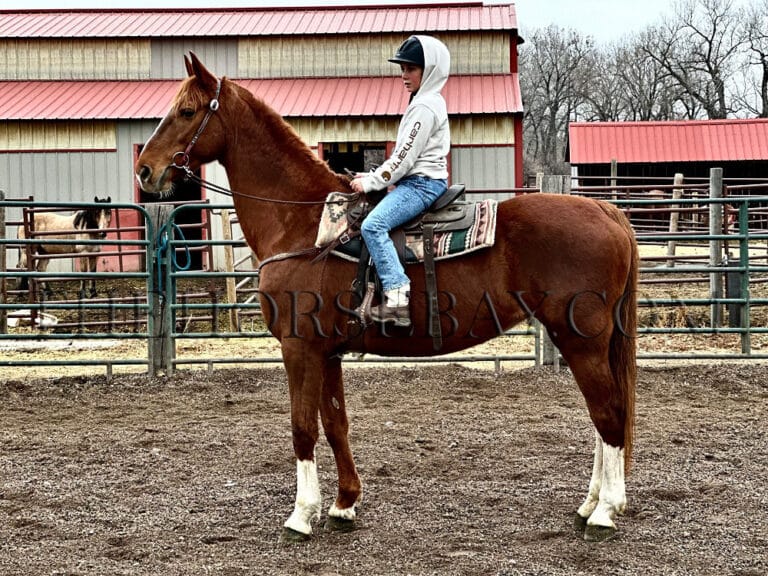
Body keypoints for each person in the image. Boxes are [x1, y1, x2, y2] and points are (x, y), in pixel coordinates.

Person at [350, 35, 451, 327]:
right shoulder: (426, 101)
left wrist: (371, 183)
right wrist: (371, 176)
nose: (404, 75)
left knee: (373, 225)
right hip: (419, 181)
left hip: (420, 185)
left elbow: (404, 158)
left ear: (429, 70)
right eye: (403, 68)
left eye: (411, 68)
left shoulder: (424, 107)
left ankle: (396, 300)